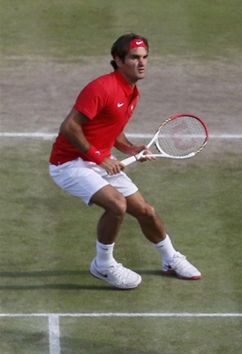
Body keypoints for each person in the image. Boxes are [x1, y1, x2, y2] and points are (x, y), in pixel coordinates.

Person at [49, 33, 201, 290]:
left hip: (97, 161)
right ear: (118, 60)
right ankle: (103, 265)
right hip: (69, 164)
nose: (141, 63)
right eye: (134, 58)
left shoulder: (132, 91)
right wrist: (101, 158)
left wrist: (130, 148)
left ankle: (170, 259)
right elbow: (69, 127)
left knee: (146, 212)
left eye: (144, 58)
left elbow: (110, 126)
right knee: (117, 205)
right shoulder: (102, 88)